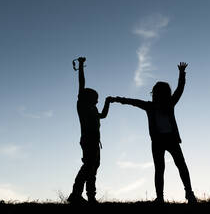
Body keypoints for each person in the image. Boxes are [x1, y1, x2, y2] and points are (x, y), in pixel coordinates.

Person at [110, 62, 197, 204]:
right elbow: (132, 101)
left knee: (181, 165)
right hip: (157, 141)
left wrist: (182, 73)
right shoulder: (149, 106)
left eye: (160, 92)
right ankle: (160, 197)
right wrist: (116, 99)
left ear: (164, 94)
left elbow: (180, 89)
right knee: (159, 169)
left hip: (171, 139)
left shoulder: (170, 103)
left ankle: (189, 193)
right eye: (156, 92)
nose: (157, 94)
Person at [68, 57, 112, 204]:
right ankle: (75, 195)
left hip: (94, 141)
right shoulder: (82, 105)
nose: (98, 100)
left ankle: (91, 196)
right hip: (87, 140)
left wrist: (107, 103)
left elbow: (103, 116)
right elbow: (81, 83)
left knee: (93, 168)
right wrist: (81, 65)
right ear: (88, 97)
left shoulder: (93, 109)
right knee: (88, 166)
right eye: (97, 98)